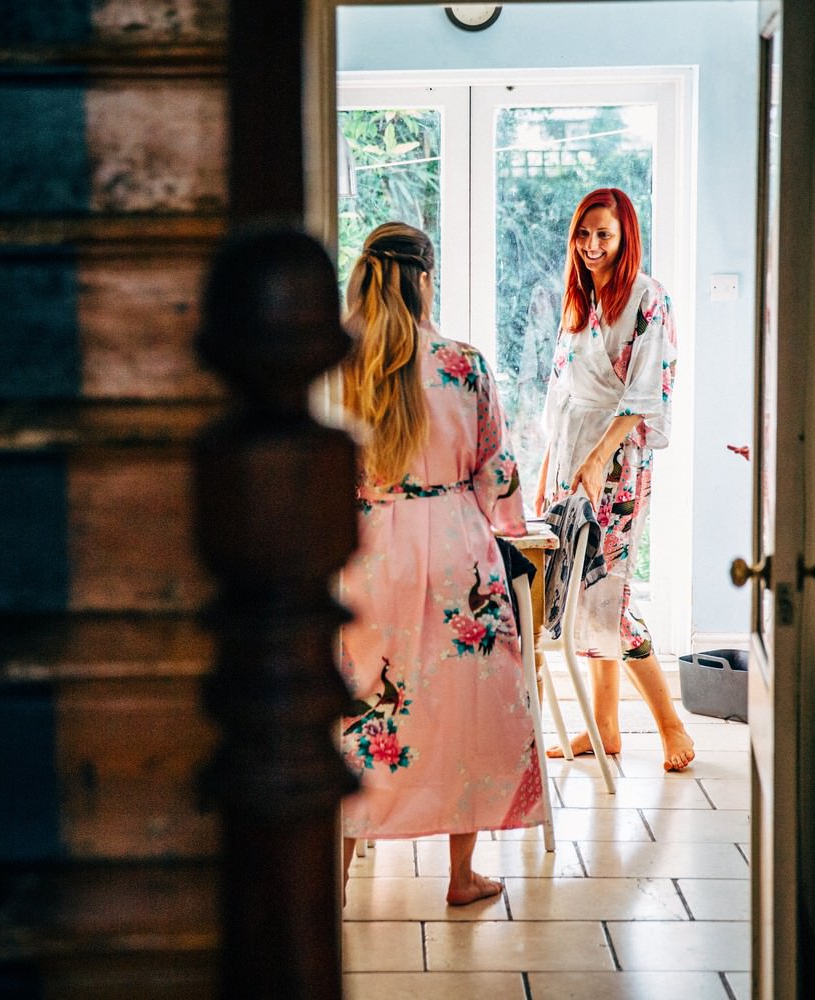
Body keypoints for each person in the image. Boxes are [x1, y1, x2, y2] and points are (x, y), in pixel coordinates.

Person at [337, 221, 545, 907]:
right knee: (468, 708)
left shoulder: (340, 366)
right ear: (425, 279)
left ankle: (332, 880)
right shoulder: (465, 363)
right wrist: (514, 526)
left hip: (369, 552)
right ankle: (460, 878)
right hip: (458, 551)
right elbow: (496, 470)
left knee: (361, 709)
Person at [532, 188, 696, 772]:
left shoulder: (648, 298)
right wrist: (548, 473)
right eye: (584, 234)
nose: (593, 246)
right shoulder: (579, 301)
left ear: (625, 236)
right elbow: (560, 395)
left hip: (619, 461)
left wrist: (602, 458)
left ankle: (671, 725)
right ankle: (603, 726)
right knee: (579, 592)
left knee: (610, 593)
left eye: (604, 235)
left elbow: (647, 391)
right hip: (573, 458)